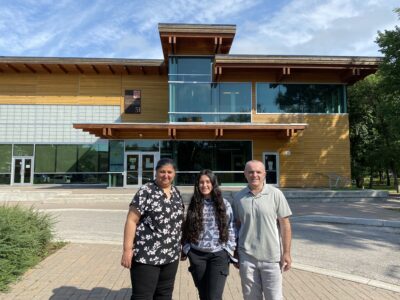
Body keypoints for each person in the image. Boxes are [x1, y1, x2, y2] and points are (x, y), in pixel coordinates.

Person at [121, 158, 184, 300]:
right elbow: (131, 220)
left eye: (169, 172)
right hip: (146, 256)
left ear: (174, 174)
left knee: (164, 295)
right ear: (156, 172)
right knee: (143, 296)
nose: (165, 175)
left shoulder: (176, 193)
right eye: (162, 171)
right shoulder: (146, 191)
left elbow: (179, 222)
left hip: (171, 255)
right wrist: (127, 250)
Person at [232, 160, 292, 300]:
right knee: (251, 297)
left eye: (258, 172)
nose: (255, 175)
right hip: (247, 258)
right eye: (251, 172)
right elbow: (236, 226)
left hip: (272, 257)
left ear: (264, 174)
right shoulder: (238, 198)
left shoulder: (276, 194)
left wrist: (287, 253)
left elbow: (285, 225)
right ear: (245, 174)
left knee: (275, 297)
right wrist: (235, 252)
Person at [181, 169, 236, 300]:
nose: (204, 185)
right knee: (204, 295)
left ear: (213, 183)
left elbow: (231, 227)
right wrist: (187, 249)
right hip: (197, 255)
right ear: (197, 185)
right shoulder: (194, 204)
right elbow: (187, 227)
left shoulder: (224, 204)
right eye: (201, 182)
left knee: (214, 296)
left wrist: (228, 249)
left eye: (208, 182)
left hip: (218, 255)